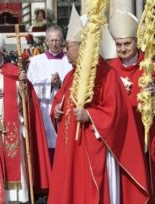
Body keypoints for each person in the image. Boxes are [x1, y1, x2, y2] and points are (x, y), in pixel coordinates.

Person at [48, 6, 149, 204]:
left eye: (68, 46)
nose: (64, 51)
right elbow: (60, 100)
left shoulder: (107, 74)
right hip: (71, 152)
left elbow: (116, 113)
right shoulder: (71, 75)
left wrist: (90, 115)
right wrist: (57, 109)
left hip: (96, 151)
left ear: (82, 46)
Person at [0, 26, 51, 204]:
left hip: (12, 130)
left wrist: (23, 86)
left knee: (15, 164)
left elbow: (28, 103)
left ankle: (16, 199)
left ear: (2, 54)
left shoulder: (13, 71)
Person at [108, 9, 155, 202]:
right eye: (118, 45)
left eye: (127, 44)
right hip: (122, 138)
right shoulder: (109, 68)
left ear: (136, 42)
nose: (122, 49)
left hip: (148, 135)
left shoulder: (150, 66)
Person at [27, 25, 72, 163]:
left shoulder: (70, 60)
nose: (54, 43)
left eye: (57, 40)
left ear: (62, 41)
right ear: (46, 42)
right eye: (51, 40)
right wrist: (49, 83)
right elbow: (30, 87)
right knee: (45, 145)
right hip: (44, 109)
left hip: (64, 110)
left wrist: (61, 83)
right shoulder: (35, 61)